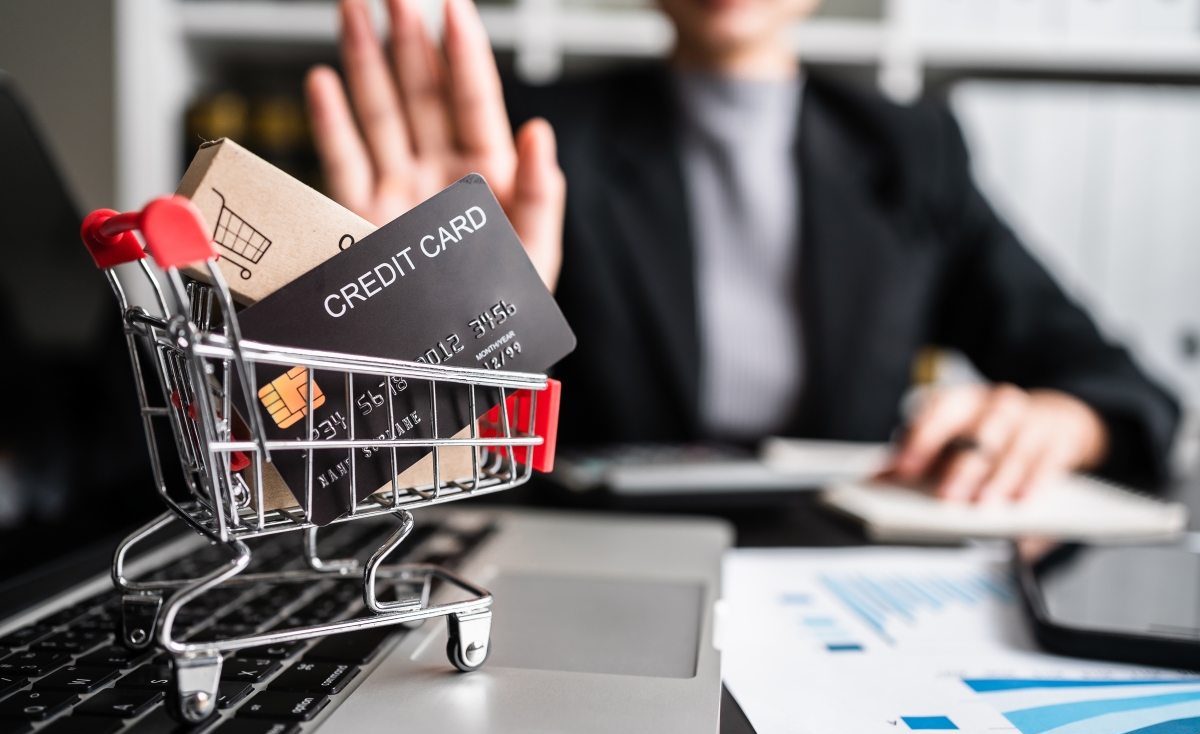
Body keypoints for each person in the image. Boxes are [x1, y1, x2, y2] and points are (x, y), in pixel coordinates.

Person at [303, 0, 1180, 501]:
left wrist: (1061, 422)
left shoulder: (912, 152)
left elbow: (1116, 381)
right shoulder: (520, 146)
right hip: (580, 576)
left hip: (835, 580)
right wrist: (414, 314)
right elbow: (342, 463)